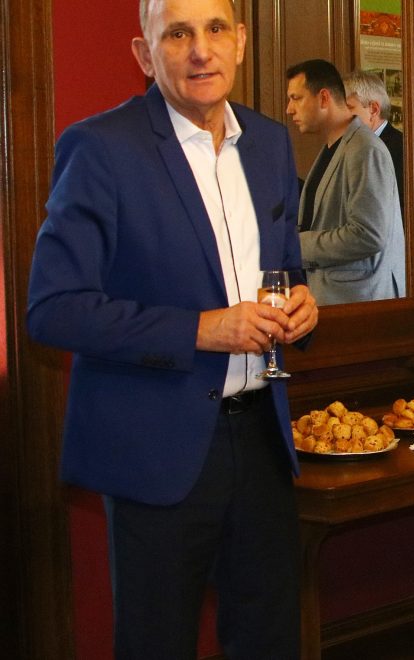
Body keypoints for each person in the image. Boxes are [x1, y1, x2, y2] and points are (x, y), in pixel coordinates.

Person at [25, 0, 319, 656]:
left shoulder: (271, 143)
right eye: (178, 33)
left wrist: (303, 305)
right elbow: (53, 308)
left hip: (263, 442)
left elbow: (286, 267)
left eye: (215, 29)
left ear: (240, 41)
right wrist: (199, 330)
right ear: (144, 52)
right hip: (156, 449)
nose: (200, 50)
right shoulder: (101, 148)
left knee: (271, 639)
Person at [287, 59, 406, 303]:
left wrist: (297, 245)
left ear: (323, 98)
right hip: (332, 298)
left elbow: (368, 234)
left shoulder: (365, 148)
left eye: (296, 98)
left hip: (359, 303)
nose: (289, 109)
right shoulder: (334, 146)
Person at [342, 69, 405, 217]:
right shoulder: (348, 144)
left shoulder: (401, 149)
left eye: (349, 107)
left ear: (373, 110)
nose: (343, 115)